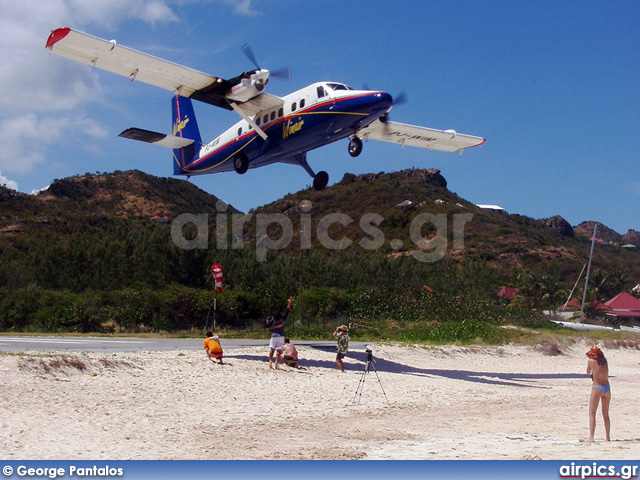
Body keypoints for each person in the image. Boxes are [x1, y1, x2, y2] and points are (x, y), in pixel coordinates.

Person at [586, 345, 610, 442]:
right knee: (605, 414)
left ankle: (591, 437)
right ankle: (607, 437)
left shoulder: (591, 362)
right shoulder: (605, 361)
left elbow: (588, 372)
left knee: (592, 413)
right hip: (607, 388)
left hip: (597, 388)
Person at [265, 297, 294, 369]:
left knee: (272, 350)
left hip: (274, 336)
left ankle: (270, 361)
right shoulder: (283, 319)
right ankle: (276, 363)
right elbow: (287, 310)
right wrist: (290, 302)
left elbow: (267, 326)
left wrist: (267, 321)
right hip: (281, 336)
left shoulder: (273, 320)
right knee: (279, 350)